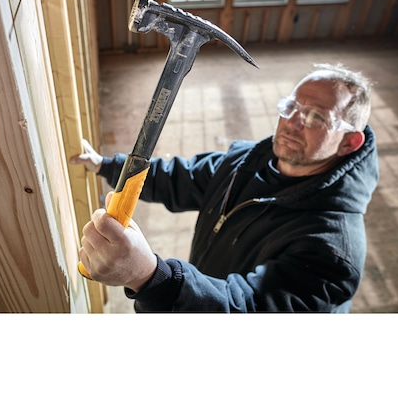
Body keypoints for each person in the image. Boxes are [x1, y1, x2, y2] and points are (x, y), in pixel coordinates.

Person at [70, 63, 379, 312]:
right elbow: (181, 178)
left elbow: (246, 307)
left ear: (350, 142)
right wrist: (106, 165)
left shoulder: (333, 251)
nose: (292, 122)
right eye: (291, 106)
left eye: (316, 117)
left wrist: (150, 276)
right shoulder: (244, 161)